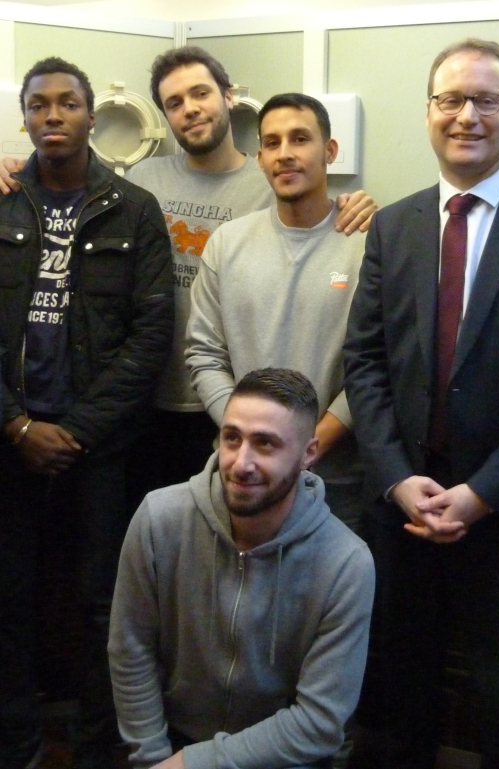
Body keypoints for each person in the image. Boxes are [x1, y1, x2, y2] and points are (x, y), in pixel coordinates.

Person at [343, 38, 499, 769]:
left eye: (486, 99)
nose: (467, 115)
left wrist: (482, 494)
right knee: (399, 690)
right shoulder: (394, 226)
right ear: (428, 112)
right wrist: (396, 479)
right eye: (450, 99)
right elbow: (363, 361)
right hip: (402, 511)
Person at [0, 46, 376, 494]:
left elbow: (316, 213)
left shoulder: (272, 179)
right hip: (149, 401)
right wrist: (15, 172)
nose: (190, 109)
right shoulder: (141, 182)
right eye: (174, 103)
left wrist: (358, 204)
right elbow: (70, 181)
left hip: (229, 408)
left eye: (200, 93)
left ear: (228, 96)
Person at [0, 57, 172, 769]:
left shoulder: (134, 208)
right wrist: (17, 426)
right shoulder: (3, 204)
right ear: (25, 118)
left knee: (108, 608)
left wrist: (77, 429)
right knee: (7, 602)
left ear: (91, 115)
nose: (53, 116)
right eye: (38, 105)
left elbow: (153, 332)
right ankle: (17, 745)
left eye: (67, 103)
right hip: (10, 444)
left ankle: (103, 749)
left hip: (97, 448)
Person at [108, 367, 375, 769]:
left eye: (265, 444)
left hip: (283, 755)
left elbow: (319, 722)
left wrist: (193, 766)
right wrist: (153, 759)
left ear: (309, 454)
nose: (240, 463)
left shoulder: (346, 561)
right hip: (172, 740)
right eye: (232, 438)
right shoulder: (159, 517)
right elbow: (131, 651)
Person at [185, 93, 365, 529]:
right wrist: (252, 440)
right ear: (261, 157)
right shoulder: (227, 244)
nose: (285, 154)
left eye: (300, 139)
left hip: (337, 481)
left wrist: (310, 444)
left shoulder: (367, 245)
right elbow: (203, 353)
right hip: (240, 478)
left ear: (330, 151)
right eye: (272, 142)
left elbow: (378, 366)